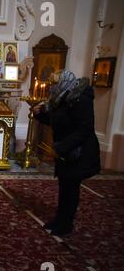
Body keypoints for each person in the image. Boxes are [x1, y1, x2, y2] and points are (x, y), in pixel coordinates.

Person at [33, 70, 101, 236]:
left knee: (71, 188)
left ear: (63, 82)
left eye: (54, 83)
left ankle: (66, 224)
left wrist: (60, 148)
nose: (51, 87)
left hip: (79, 152)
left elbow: (84, 129)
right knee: (64, 186)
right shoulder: (62, 97)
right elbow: (57, 120)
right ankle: (59, 219)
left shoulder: (80, 98)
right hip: (66, 151)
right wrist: (40, 114)